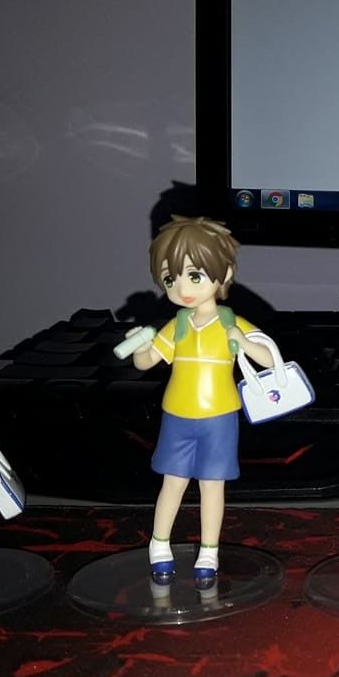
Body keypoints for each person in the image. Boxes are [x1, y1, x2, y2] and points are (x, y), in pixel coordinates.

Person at [126, 216, 275, 587]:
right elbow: (146, 361)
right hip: (177, 415)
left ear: (224, 273)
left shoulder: (229, 322)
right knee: (173, 482)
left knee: (212, 485)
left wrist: (245, 343)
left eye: (194, 275)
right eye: (170, 279)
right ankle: (159, 544)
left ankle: (209, 551)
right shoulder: (176, 325)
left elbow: (270, 358)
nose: (182, 288)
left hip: (219, 417)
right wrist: (140, 345)